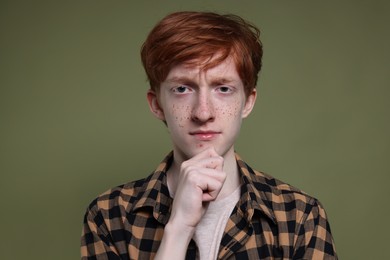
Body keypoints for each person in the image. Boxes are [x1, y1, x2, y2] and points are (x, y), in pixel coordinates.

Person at [81, 11, 337, 260]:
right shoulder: (109, 215)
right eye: (182, 89)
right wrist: (178, 228)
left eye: (223, 88)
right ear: (157, 104)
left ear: (247, 102)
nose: (203, 112)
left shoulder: (299, 216)